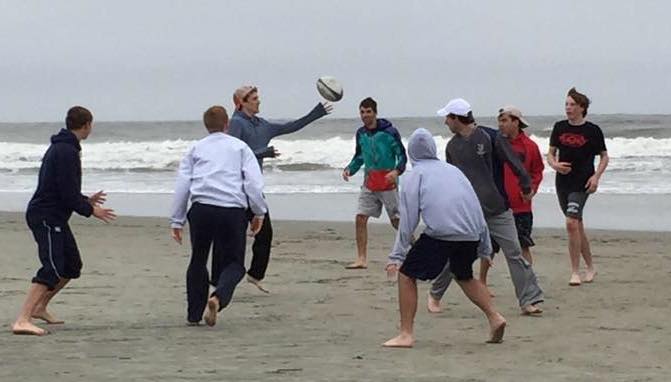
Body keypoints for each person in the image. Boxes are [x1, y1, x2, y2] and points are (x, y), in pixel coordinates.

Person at [383, 128, 506, 348]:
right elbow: (475, 207)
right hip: (471, 234)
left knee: (406, 275)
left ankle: (406, 334)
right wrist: (485, 247)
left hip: (442, 234)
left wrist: (396, 255)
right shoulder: (454, 171)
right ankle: (495, 317)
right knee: (464, 275)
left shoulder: (416, 175)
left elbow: (408, 219)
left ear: (412, 154)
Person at [428, 98, 544, 316]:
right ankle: (435, 294)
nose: (445, 122)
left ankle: (528, 300)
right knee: (457, 255)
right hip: (469, 213)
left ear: (457, 118)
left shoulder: (491, 137)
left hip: (498, 209)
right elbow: (453, 180)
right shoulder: (452, 147)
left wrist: (526, 183)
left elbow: (513, 161)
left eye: (448, 118)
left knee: (515, 253)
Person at [12, 106, 117, 336]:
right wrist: (91, 211)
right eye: (91, 124)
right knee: (51, 267)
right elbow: (66, 194)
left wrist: (86, 200)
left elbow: (64, 188)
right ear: (87, 124)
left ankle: (40, 307)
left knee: (71, 265)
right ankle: (22, 319)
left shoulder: (65, 147)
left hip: (55, 215)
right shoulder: (65, 151)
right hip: (45, 216)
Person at [228, 85, 333, 292]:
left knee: (265, 233)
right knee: (235, 236)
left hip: (253, 189)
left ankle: (255, 274)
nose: (259, 101)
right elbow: (232, 153)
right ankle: (224, 277)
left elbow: (291, 126)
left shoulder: (262, 125)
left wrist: (316, 113)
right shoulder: (236, 124)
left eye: (258, 97)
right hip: (234, 189)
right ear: (241, 103)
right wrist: (261, 153)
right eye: (255, 98)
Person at [171, 106, 266, 326]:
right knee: (234, 263)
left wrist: (177, 219)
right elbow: (252, 183)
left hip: (201, 208)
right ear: (227, 124)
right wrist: (258, 211)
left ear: (207, 126)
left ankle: (193, 315)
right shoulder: (240, 147)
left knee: (198, 259)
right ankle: (218, 297)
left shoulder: (196, 148)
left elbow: (183, 184)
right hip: (231, 209)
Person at [547, 88, 609, 286]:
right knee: (577, 226)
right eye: (566, 104)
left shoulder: (593, 130)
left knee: (570, 223)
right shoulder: (559, 127)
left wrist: (596, 177)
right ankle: (590, 266)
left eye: (572, 105)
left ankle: (575, 272)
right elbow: (550, 154)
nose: (568, 108)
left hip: (582, 183)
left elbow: (604, 156)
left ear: (582, 108)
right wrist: (555, 165)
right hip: (562, 182)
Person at [479, 106, 544, 290]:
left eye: (505, 120)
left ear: (516, 122)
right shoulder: (493, 144)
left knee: (523, 246)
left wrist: (532, 189)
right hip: (496, 205)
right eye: (499, 120)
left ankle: (528, 284)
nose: (501, 125)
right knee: (489, 247)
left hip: (521, 206)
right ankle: (482, 282)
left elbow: (536, 171)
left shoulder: (530, 146)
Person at [342, 97, 407, 269]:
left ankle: (412, 249)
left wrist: (397, 171)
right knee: (360, 218)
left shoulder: (389, 132)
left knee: (396, 221)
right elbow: (360, 156)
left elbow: (402, 155)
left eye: (368, 111)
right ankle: (361, 258)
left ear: (375, 112)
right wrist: (350, 169)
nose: (365, 115)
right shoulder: (361, 133)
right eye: (362, 112)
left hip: (387, 182)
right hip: (369, 182)